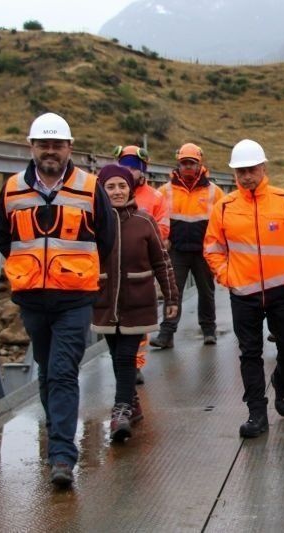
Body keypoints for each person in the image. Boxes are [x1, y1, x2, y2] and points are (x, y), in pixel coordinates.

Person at [0, 112, 114, 488]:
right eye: (43, 144)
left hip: (75, 296)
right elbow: (3, 236)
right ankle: (56, 431)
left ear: (69, 148)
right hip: (31, 296)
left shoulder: (90, 187)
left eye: (57, 145)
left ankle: (62, 455)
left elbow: (106, 238)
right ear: (31, 147)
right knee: (47, 371)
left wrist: (78, 269)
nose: (50, 151)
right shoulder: (12, 189)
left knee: (62, 371)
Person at [204, 139, 284, 438]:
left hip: (281, 290)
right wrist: (227, 276)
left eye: (251, 169)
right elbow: (213, 248)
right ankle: (257, 414)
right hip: (243, 294)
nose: (246, 176)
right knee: (250, 353)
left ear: (263, 167)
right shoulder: (224, 207)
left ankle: (282, 381)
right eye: (240, 171)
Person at [92, 164, 179, 442]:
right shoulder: (94, 223)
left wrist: (171, 297)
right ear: (102, 191)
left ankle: (121, 411)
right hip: (105, 302)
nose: (117, 192)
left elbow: (161, 262)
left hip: (137, 302)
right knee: (117, 356)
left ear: (130, 188)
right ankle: (134, 404)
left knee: (125, 356)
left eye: (122, 186)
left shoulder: (144, 221)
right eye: (110, 187)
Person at [152, 143, 224, 348]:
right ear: (178, 165)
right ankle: (166, 333)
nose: (188, 168)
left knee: (207, 292)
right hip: (177, 251)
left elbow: (222, 221)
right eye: (184, 163)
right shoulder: (164, 191)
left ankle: (209, 330)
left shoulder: (215, 192)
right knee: (172, 292)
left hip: (204, 251)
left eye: (191, 164)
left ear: (200, 165)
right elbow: (156, 218)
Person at [114, 145, 168, 384]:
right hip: (112, 268)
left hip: (141, 267)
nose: (129, 171)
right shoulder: (106, 191)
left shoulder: (155, 197)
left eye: (134, 167)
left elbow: (163, 230)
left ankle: (135, 364)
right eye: (124, 165)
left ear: (143, 169)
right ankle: (120, 360)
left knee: (138, 318)